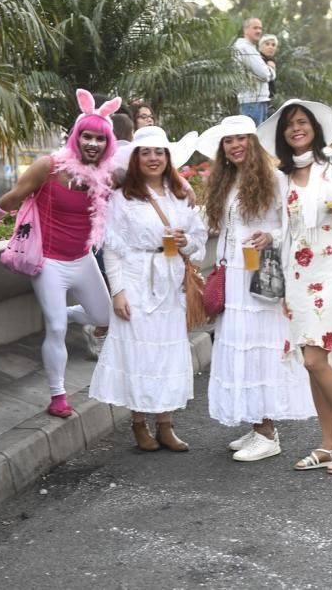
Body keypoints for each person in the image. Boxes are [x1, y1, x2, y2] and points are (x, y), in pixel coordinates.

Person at [0, 89, 121, 418]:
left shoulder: (107, 177)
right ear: (76, 136)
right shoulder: (49, 167)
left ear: (108, 143)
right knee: (54, 329)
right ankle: (58, 396)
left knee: (106, 319)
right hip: (49, 261)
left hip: (82, 259)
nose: (93, 144)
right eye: (87, 136)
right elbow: (11, 199)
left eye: (100, 138)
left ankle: (66, 314)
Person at [257, 99, 332, 473]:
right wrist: (269, 236)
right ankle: (328, 443)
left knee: (315, 357)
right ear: (283, 136)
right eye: (289, 126)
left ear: (314, 127)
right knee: (312, 363)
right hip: (298, 272)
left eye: (302, 122)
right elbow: (289, 228)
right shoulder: (282, 178)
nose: (296, 129)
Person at [197, 115, 315, 462]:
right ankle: (257, 425)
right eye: (228, 141)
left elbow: (296, 224)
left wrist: (271, 237)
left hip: (262, 274)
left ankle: (268, 433)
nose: (235, 146)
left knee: (260, 349)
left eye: (241, 139)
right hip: (235, 275)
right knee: (240, 348)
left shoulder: (277, 180)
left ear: (253, 141)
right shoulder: (228, 182)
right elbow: (223, 230)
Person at [89, 126, 207, 452]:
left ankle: (166, 425)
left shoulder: (181, 196)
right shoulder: (121, 198)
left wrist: (188, 242)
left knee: (167, 354)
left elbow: (198, 242)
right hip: (136, 279)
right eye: (146, 152)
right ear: (136, 158)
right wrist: (118, 293)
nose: (153, 158)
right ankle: (139, 424)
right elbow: (111, 249)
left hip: (171, 282)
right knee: (138, 354)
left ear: (167, 158)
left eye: (159, 152)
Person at [233, 17, 275, 126]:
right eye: (255, 28)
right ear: (245, 30)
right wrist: (272, 69)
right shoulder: (245, 48)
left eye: (260, 28)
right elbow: (264, 74)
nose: (259, 31)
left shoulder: (250, 48)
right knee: (255, 138)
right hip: (252, 102)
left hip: (254, 101)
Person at [258, 33, 278, 102]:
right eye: (267, 44)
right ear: (260, 47)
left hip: (268, 100)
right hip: (258, 100)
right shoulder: (258, 60)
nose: (271, 47)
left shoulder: (271, 61)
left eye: (273, 45)